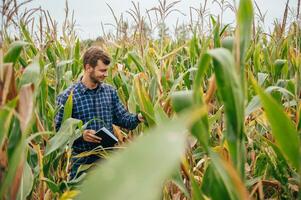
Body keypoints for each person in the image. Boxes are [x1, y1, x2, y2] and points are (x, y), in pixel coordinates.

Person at [54, 46, 144, 179]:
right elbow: (60, 133)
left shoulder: (110, 92)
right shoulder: (68, 97)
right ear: (88, 67)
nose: (106, 74)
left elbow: (123, 118)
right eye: (102, 70)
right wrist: (81, 135)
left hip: (107, 161)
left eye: (107, 70)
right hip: (81, 164)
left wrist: (138, 117)